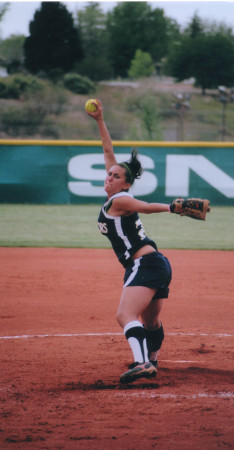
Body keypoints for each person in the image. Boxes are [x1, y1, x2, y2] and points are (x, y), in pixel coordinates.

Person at [87, 99, 173, 384]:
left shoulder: (121, 199)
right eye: (108, 174)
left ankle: (141, 362)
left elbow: (146, 205)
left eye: (115, 176)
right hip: (156, 263)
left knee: (125, 315)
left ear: (125, 183)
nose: (109, 177)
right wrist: (100, 120)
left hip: (144, 263)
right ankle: (154, 360)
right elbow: (108, 150)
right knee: (151, 322)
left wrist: (172, 207)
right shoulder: (116, 192)